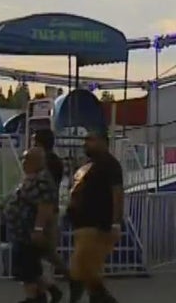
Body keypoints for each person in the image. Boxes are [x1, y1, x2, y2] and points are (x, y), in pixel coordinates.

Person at [66, 129, 124, 303]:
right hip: (81, 224)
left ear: (104, 142)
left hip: (97, 225)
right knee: (87, 270)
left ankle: (81, 299)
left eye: (91, 139)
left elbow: (117, 193)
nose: (86, 143)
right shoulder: (88, 165)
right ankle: (99, 298)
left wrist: (115, 223)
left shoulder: (110, 164)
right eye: (85, 140)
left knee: (80, 267)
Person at [6, 148, 60, 303]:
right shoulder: (33, 178)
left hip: (29, 233)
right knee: (29, 268)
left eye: (26, 159)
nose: (23, 162)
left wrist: (38, 229)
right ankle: (43, 294)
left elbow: (45, 206)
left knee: (27, 269)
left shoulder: (41, 180)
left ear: (37, 161)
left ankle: (34, 297)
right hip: (22, 233)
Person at [32, 129, 69, 290]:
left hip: (46, 210)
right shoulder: (55, 161)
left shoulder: (46, 163)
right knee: (47, 251)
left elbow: (44, 190)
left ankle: (68, 278)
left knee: (45, 250)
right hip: (50, 209)